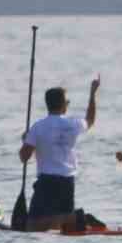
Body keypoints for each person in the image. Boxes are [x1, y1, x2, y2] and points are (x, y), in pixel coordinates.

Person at [18, 76, 100, 231]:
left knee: (32, 227)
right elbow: (90, 120)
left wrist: (26, 140)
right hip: (68, 182)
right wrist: (92, 94)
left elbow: (24, 157)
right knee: (63, 228)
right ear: (63, 104)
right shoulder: (73, 124)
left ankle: (75, 217)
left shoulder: (38, 127)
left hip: (46, 181)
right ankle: (73, 218)